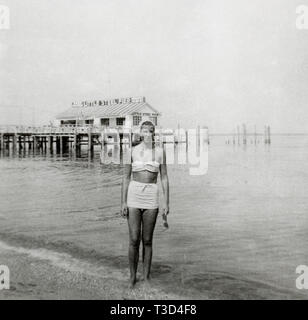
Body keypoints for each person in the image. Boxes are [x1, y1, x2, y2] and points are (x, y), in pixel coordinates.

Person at [121, 121, 169, 288]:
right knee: (134, 239)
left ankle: (146, 277)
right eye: (144, 131)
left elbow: (164, 177)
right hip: (133, 196)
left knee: (147, 240)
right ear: (140, 133)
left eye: (150, 131)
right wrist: (123, 202)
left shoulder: (161, 153)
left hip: (151, 197)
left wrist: (166, 202)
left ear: (153, 133)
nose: (147, 134)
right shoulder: (131, 152)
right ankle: (132, 277)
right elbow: (126, 178)